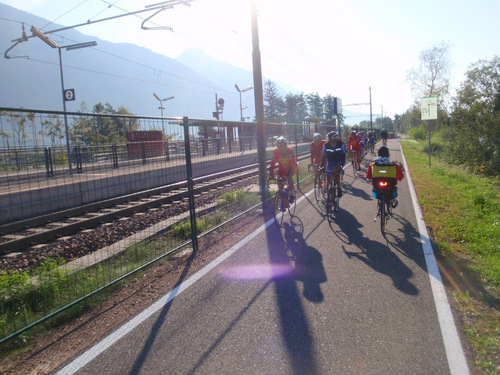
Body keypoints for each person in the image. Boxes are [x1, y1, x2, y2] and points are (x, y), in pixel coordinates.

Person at [269, 136, 298, 202]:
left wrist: (288, 174)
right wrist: (271, 174)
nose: (281, 149)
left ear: (286, 145)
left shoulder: (290, 150)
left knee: (289, 177)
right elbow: (272, 164)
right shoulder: (275, 151)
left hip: (291, 167)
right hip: (281, 168)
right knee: (280, 183)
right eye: (279, 147)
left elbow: (293, 164)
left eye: (283, 147)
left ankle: (291, 193)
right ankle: (282, 198)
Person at [321, 131, 346, 198]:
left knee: (337, 176)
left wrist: (341, 165)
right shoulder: (325, 145)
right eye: (329, 140)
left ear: (336, 139)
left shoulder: (341, 144)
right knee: (328, 176)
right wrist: (322, 165)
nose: (331, 142)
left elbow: (343, 156)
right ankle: (329, 191)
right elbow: (323, 156)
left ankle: (339, 188)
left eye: (333, 140)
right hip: (330, 162)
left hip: (338, 161)